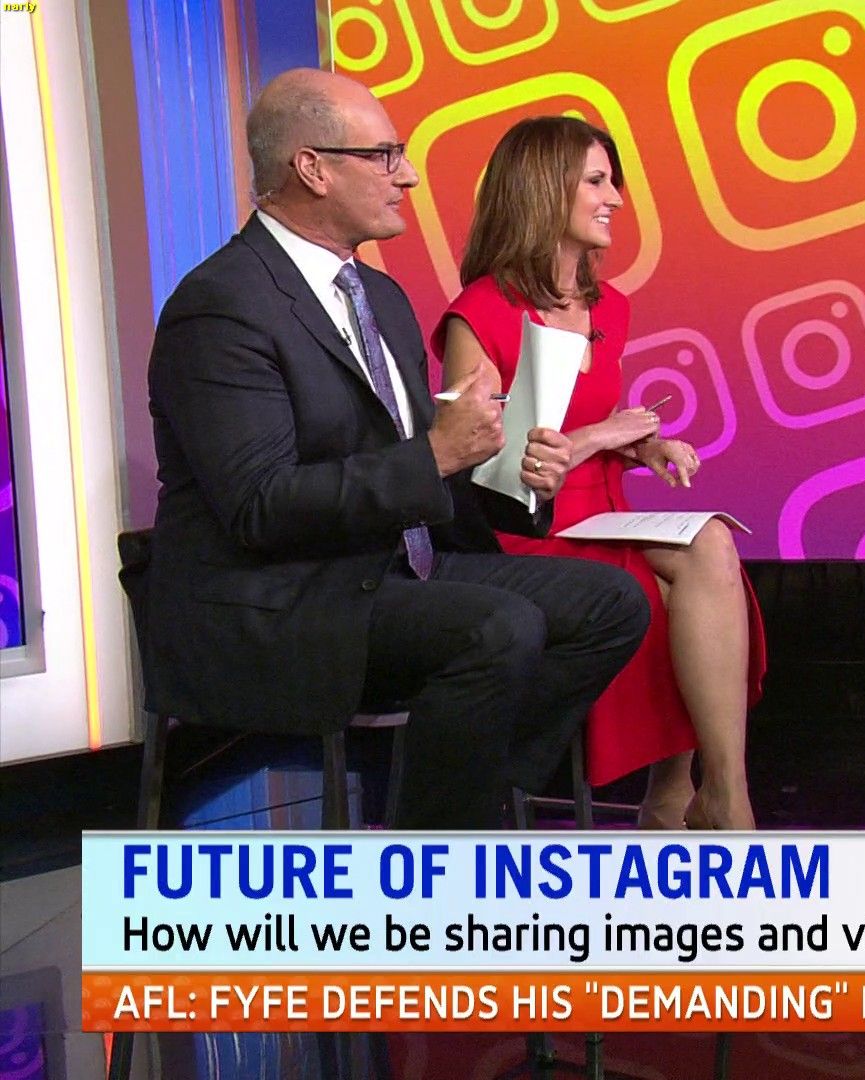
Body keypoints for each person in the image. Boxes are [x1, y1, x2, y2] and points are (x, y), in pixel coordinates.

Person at [144, 69, 650, 830]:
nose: (407, 175)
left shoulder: (378, 297)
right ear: (312, 168)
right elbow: (259, 506)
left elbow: (426, 465)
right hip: (285, 596)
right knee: (498, 627)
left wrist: (514, 475)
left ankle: (449, 807)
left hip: (389, 570)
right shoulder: (222, 306)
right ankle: (443, 841)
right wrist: (438, 456)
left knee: (611, 604)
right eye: (385, 156)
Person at [434, 116, 766, 830]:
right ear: (543, 190)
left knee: (711, 541)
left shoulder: (610, 304)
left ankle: (720, 791)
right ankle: (678, 801)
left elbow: (588, 417)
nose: (615, 198)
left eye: (612, 181)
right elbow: (474, 463)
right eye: (596, 181)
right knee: (664, 590)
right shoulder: (479, 313)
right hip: (525, 530)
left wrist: (642, 447)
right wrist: (600, 436)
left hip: (602, 509)